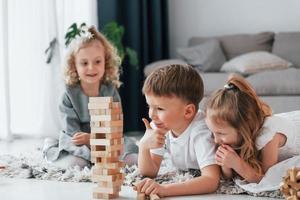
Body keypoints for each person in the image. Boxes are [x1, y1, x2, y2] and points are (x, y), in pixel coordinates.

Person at [42, 25, 138, 168]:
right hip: (78, 141)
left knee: (132, 160)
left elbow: (115, 128)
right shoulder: (68, 94)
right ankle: (50, 146)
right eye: (84, 63)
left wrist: (95, 139)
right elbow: (72, 131)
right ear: (74, 65)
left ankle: (100, 158)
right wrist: (87, 141)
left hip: (105, 139)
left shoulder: (110, 91)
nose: (91, 68)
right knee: (78, 164)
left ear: (105, 62)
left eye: (97, 62)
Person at [135, 64, 220, 197]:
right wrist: (143, 147)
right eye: (149, 106)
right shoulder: (162, 124)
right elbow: (150, 172)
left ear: (188, 111)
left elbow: (211, 180)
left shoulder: (201, 131)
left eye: (160, 109)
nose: (151, 114)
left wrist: (165, 189)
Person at [205, 74, 300, 183]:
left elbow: (267, 181)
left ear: (243, 128)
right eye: (213, 132)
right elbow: (228, 179)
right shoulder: (234, 136)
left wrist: (238, 164)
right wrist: (226, 164)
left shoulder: (269, 136)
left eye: (221, 133)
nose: (216, 140)